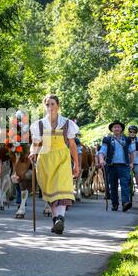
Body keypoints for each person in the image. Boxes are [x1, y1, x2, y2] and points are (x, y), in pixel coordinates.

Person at [29, 94, 80, 234]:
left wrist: (76, 164)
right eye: (47, 104)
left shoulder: (67, 123)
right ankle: (56, 220)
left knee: (62, 188)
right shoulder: (39, 125)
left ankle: (61, 218)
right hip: (44, 160)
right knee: (50, 191)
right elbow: (35, 144)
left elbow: (72, 145)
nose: (50, 107)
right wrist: (33, 152)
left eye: (52, 104)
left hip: (62, 158)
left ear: (58, 106)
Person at [98, 120, 135, 212]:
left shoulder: (126, 139)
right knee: (113, 186)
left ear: (121, 129)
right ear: (112, 129)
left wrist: (131, 163)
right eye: (114, 127)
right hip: (111, 166)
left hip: (124, 166)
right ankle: (115, 204)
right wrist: (101, 159)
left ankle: (125, 203)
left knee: (125, 185)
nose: (116, 128)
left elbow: (131, 152)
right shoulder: (107, 140)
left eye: (118, 127)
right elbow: (102, 151)